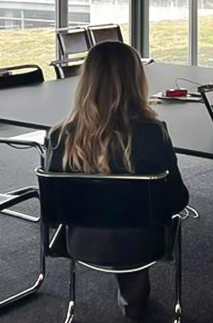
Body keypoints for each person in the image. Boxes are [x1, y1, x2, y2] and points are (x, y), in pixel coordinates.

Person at [45, 41, 189, 321]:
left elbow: (54, 209)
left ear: (86, 81)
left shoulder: (59, 135)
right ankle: (133, 297)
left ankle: (129, 290)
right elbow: (177, 199)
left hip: (81, 241)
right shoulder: (152, 133)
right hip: (142, 243)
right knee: (135, 223)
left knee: (118, 221)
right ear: (136, 80)